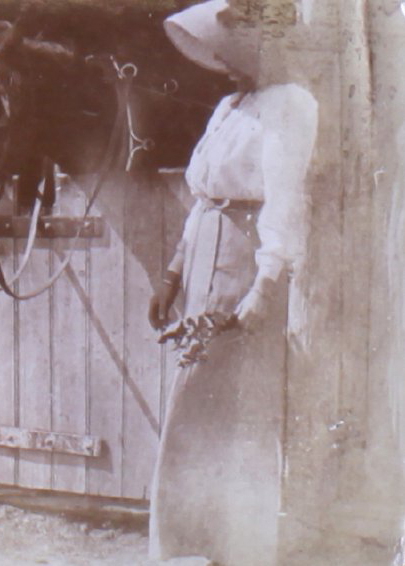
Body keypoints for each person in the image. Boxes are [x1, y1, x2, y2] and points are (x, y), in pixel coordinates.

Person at [146, 1, 318, 565]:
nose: (224, 63)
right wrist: (172, 275)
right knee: (193, 409)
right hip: (203, 270)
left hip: (242, 269)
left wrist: (265, 285)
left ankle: (237, 548)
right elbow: (203, 201)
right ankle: (188, 546)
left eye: (233, 50)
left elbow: (285, 202)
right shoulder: (228, 105)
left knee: (234, 414)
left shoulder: (290, 104)